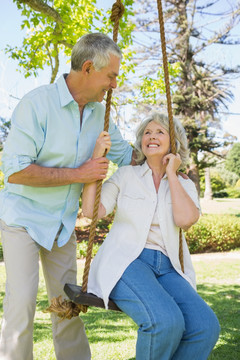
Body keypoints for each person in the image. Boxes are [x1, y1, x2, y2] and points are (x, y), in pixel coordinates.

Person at [0, 33, 134, 360]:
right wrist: (80, 174)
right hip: (23, 221)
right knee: (21, 307)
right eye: (111, 76)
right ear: (88, 67)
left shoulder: (100, 114)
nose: (114, 84)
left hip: (61, 227)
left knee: (68, 309)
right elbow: (15, 171)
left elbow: (129, 157)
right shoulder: (37, 104)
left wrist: (168, 162)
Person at [82, 112, 220, 360]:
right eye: (147, 132)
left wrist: (172, 175)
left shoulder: (184, 183)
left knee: (205, 327)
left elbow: (186, 220)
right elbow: (92, 211)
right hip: (127, 262)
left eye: (160, 132)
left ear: (174, 141)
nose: (152, 136)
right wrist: (96, 159)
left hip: (169, 268)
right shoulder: (126, 175)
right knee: (164, 321)